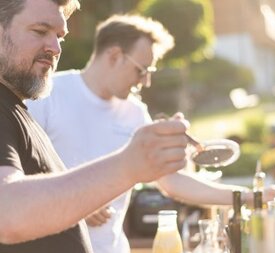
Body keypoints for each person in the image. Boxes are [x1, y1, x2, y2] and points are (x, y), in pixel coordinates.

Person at [27, 13, 275, 253]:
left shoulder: (135, 113)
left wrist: (246, 196)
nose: (145, 82)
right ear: (114, 56)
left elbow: (172, 182)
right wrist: (73, 200)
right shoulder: (49, 94)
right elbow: (19, 176)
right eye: (141, 70)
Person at [0, 1, 190, 252]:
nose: (55, 48)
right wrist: (128, 165)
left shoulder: (16, 109)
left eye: (59, 37)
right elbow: (7, 214)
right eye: (39, 31)